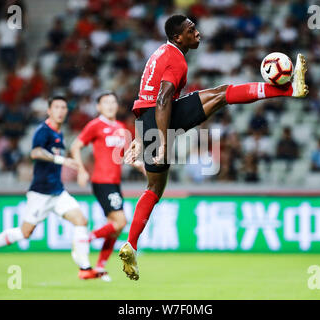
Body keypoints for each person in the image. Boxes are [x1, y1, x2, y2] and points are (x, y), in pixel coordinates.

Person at [120, 14, 309, 280]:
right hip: (161, 118)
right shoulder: (174, 57)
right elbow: (162, 99)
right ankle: (291, 90)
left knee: (153, 188)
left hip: (149, 121)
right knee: (222, 94)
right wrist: (162, 142)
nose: (197, 32)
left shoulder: (160, 53)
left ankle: (131, 243)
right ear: (178, 37)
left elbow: (147, 101)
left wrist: (142, 138)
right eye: (191, 30)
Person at [0, 97, 95, 280]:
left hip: (58, 191)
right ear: (49, 111)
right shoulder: (43, 131)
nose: (61, 111)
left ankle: (85, 268)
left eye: (63, 107)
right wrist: (61, 160)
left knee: (81, 220)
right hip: (41, 193)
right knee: (25, 232)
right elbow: (35, 152)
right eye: (57, 107)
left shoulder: (59, 133)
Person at [70, 92, 145, 281]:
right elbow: (75, 146)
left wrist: (140, 165)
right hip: (102, 182)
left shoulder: (121, 128)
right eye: (106, 102)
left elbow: (127, 156)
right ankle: (84, 239)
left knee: (116, 228)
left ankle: (100, 267)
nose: (111, 105)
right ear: (98, 107)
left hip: (115, 183)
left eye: (113, 102)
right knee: (120, 222)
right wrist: (81, 170)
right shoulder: (95, 125)